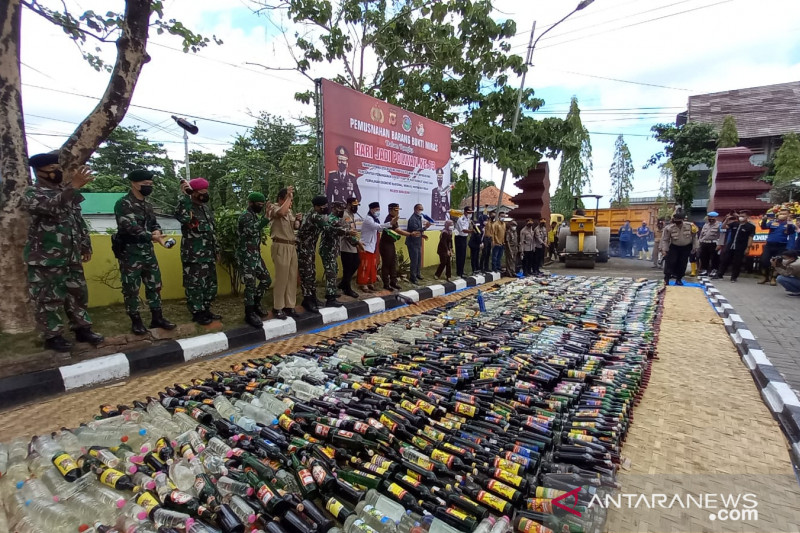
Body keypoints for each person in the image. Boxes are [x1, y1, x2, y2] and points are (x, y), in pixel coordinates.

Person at [23, 151, 104, 352]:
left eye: (58, 168)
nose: (57, 172)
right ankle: (53, 335)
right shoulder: (32, 193)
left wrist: (85, 245)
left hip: (71, 255)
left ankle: (82, 328)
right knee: (49, 298)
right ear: (39, 172)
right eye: (52, 170)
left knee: (77, 294)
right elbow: (51, 208)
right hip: (46, 258)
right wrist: (73, 186)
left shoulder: (66, 192)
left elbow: (77, 220)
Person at [113, 169, 176, 335]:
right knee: (131, 288)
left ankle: (157, 317)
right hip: (130, 253)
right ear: (134, 184)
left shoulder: (147, 205)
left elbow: (154, 223)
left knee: (155, 285)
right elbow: (131, 227)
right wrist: (153, 237)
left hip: (148, 252)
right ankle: (136, 320)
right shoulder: (124, 203)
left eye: (150, 184)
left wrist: (156, 232)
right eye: (145, 184)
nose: (148, 187)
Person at [297, 195, 355, 312]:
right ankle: (307, 300)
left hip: (309, 249)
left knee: (311, 274)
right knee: (307, 275)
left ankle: (312, 298)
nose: (326, 208)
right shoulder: (314, 216)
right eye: (323, 206)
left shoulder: (317, 214)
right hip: (304, 249)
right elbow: (328, 228)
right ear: (316, 207)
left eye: (326, 205)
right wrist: (347, 232)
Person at [176, 177, 219, 325]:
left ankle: (206, 309)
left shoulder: (205, 209)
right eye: (202, 192)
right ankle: (197, 312)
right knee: (195, 285)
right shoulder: (186, 207)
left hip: (209, 255)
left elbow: (212, 232)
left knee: (210, 285)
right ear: (193, 193)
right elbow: (184, 218)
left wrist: (217, 251)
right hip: (194, 255)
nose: (205, 194)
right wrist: (186, 196)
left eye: (206, 191)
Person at [237, 192, 272, 326]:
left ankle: (256, 303)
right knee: (250, 285)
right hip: (246, 256)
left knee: (266, 280)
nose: (260, 206)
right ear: (250, 203)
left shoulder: (254, 216)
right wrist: (266, 219)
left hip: (255, 255)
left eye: (262, 205)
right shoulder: (245, 216)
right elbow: (251, 231)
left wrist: (264, 218)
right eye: (258, 204)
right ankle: (249, 313)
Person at [267, 187, 302, 318]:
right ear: (282, 199)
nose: (291, 202)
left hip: (291, 246)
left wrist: (298, 220)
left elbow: (295, 227)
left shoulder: (289, 211)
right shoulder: (273, 208)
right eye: (289, 199)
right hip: (280, 245)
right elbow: (281, 213)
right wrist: (289, 197)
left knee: (292, 277)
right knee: (282, 278)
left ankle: (289, 306)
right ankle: (278, 307)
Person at [380, 203, 417, 290]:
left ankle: (393, 282)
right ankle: (386, 284)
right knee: (386, 264)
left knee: (393, 263)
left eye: (398, 210)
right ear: (390, 210)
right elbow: (398, 230)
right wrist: (410, 234)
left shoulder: (394, 219)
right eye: (396, 210)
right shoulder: (389, 219)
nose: (397, 212)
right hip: (385, 244)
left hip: (390, 244)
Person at [321, 201, 350, 307]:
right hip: (327, 250)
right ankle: (330, 298)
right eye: (340, 209)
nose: (341, 211)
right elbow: (338, 230)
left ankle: (332, 292)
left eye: (343, 209)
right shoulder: (331, 219)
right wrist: (347, 232)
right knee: (331, 273)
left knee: (334, 270)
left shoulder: (337, 219)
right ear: (334, 208)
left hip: (332, 251)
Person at [714, 211, 755, 283]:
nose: (741, 217)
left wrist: (748, 248)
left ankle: (734, 277)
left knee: (737, 262)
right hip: (731, 245)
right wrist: (726, 220)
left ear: (747, 217)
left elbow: (750, 237)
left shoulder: (750, 226)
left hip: (741, 246)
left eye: (743, 216)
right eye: (740, 216)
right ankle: (719, 274)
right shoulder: (734, 224)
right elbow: (723, 227)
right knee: (725, 260)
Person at [758, 209, 796, 285]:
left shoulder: (791, 224)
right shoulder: (773, 222)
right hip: (769, 245)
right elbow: (764, 227)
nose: (782, 215)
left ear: (788, 215)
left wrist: (789, 222)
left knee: (778, 262)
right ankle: (765, 277)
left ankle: (773, 278)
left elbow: (790, 231)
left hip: (781, 246)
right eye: (780, 213)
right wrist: (764, 220)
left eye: (784, 214)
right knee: (764, 260)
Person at [661, 212, 699, 286]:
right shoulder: (669, 228)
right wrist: (664, 250)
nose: (677, 221)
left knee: (682, 264)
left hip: (686, 247)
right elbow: (665, 239)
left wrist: (695, 247)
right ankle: (667, 279)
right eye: (675, 220)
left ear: (682, 220)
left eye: (679, 220)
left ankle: (679, 279)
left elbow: (695, 237)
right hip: (674, 247)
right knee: (670, 262)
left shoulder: (690, 226)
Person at [338, 197, 361, 298]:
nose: (355, 207)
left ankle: (343, 283)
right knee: (348, 268)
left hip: (352, 246)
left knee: (356, 263)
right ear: (348, 205)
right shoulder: (346, 215)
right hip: (346, 246)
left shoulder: (351, 215)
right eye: (354, 205)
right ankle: (347, 289)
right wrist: (357, 243)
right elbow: (348, 233)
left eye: (356, 205)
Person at [406, 204, 430, 284]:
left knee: (419, 260)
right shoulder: (413, 219)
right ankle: (413, 277)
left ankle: (418, 274)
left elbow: (418, 232)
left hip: (418, 242)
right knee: (414, 260)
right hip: (412, 243)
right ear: (415, 209)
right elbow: (415, 230)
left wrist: (422, 235)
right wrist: (425, 227)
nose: (421, 211)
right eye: (420, 209)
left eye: (422, 209)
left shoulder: (419, 218)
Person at [697, 211, 722, 276]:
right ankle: (704, 270)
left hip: (714, 243)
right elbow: (701, 234)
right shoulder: (705, 225)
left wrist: (720, 244)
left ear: (716, 217)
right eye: (710, 217)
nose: (711, 218)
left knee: (714, 258)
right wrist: (699, 242)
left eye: (712, 217)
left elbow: (722, 235)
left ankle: (714, 270)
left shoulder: (719, 224)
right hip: (704, 243)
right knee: (704, 257)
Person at [454, 207, 473, 278]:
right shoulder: (461, 219)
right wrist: (472, 231)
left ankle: (461, 270)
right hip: (459, 238)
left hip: (464, 238)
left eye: (471, 212)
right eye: (469, 212)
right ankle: (459, 272)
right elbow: (463, 230)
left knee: (463, 255)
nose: (470, 214)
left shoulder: (467, 219)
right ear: (465, 212)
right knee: (460, 255)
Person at [468, 210, 483, 275]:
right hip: (473, 244)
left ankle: (477, 269)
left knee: (477, 257)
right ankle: (474, 269)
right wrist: (480, 243)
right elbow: (477, 235)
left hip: (476, 244)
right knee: (474, 258)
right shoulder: (475, 226)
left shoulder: (479, 225)